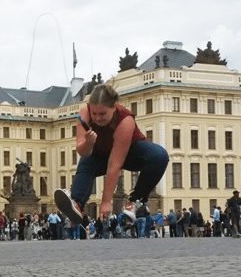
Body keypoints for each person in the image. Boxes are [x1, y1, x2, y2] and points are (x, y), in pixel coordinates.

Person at [55, 84, 169, 224]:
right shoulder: (84, 114)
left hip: (131, 153)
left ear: (114, 107)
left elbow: (114, 164)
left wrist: (106, 202)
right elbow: (81, 151)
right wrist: (88, 142)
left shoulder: (125, 119)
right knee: (86, 161)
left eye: (102, 114)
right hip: (100, 154)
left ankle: (135, 202)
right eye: (94, 113)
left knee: (160, 156)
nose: (97, 118)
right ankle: (77, 205)